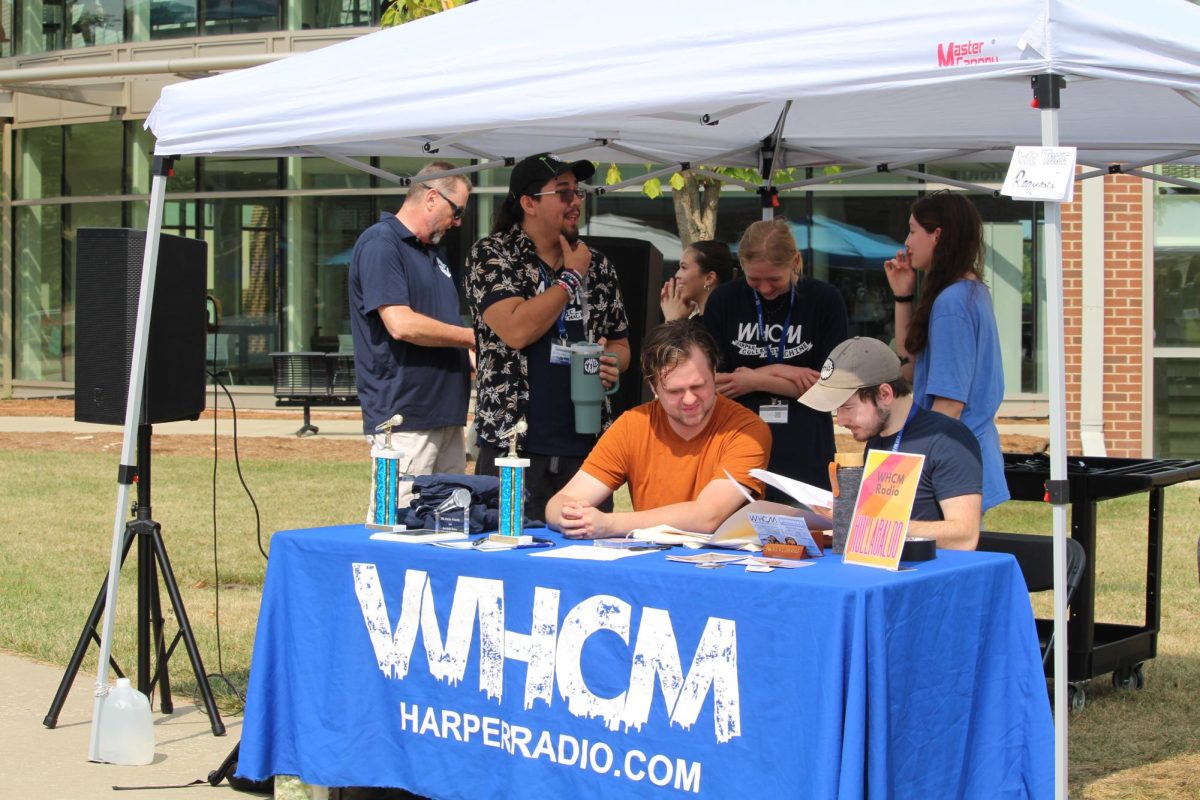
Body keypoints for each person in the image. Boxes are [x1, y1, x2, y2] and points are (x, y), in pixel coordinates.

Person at [465, 153, 631, 519]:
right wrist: (570, 279)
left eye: (578, 192)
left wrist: (612, 363)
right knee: (509, 552)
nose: (575, 202)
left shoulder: (598, 264)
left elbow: (620, 344)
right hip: (512, 447)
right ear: (528, 203)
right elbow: (516, 331)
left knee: (586, 553)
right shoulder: (493, 256)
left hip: (585, 447)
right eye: (563, 192)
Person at [546, 321, 771, 539]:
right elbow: (559, 503)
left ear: (714, 374)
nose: (690, 399)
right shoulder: (632, 425)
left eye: (698, 386)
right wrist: (571, 517)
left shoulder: (747, 430)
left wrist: (609, 524)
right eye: (675, 391)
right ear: (653, 387)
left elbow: (708, 516)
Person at [348, 161, 475, 507]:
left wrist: (472, 357)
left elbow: (441, 327)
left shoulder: (434, 253)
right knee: (400, 525)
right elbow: (400, 324)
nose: (459, 221)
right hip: (405, 420)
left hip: (447, 415)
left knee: (451, 527)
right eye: (458, 210)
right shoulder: (381, 243)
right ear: (432, 198)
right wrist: (470, 337)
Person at [883, 191, 1009, 515]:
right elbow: (909, 367)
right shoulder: (969, 293)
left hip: (951, 465)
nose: (907, 241)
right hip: (963, 458)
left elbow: (949, 405)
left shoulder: (952, 303)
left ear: (936, 234)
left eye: (913, 230)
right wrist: (903, 297)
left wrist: (910, 469)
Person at [702, 217, 848, 492]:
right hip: (738, 441)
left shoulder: (825, 300)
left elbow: (829, 388)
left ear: (795, 262)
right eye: (754, 280)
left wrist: (754, 380)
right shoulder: (724, 300)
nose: (766, 289)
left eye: (774, 279)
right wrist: (786, 373)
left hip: (806, 447)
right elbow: (715, 381)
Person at [799, 336, 982, 549]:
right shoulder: (877, 440)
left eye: (847, 407)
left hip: (927, 574)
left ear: (885, 394)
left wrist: (866, 523)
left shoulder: (947, 439)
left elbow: (965, 536)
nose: (841, 421)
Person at [659, 240, 735, 321]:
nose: (677, 275)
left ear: (709, 278)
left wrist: (672, 319)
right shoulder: (698, 322)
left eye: (684, 267)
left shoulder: (714, 325)